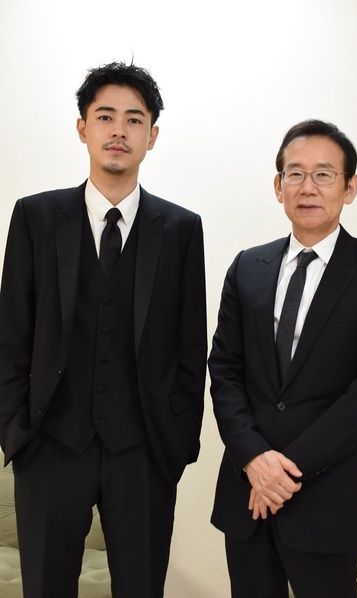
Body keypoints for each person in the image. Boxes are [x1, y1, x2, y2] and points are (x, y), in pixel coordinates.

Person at [0, 61, 207, 598]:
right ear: (82, 128)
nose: (119, 130)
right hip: (50, 447)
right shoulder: (35, 217)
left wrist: (176, 443)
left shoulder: (181, 229)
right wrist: (17, 432)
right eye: (105, 116)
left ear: (152, 136)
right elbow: (11, 334)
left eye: (135, 120)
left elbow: (190, 345)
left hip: (144, 452)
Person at [208, 119, 357, 598]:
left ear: (350, 187)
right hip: (246, 492)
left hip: (326, 497)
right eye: (294, 174)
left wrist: (283, 472)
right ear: (278, 187)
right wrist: (254, 458)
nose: (307, 187)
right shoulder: (247, 266)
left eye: (323, 174)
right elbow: (225, 370)